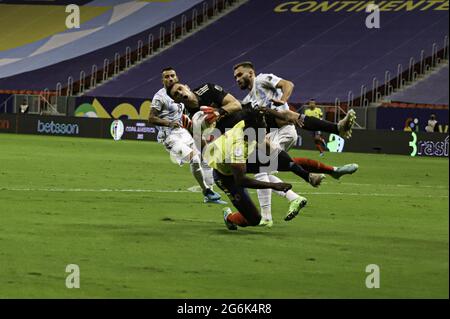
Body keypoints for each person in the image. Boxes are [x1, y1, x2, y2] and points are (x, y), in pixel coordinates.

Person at [167, 82, 357, 225]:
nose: (180, 93)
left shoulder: (206, 89)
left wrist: (218, 112)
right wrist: (202, 134)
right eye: (176, 94)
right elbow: (207, 152)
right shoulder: (193, 118)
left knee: (285, 125)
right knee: (254, 218)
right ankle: (231, 217)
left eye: (180, 88)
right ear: (175, 100)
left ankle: (336, 130)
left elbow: (235, 104)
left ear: (186, 86)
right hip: (228, 151)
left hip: (243, 120)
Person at [233, 61, 358, 224]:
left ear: (250, 73)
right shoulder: (248, 100)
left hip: (282, 129)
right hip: (271, 131)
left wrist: (283, 98)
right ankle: (321, 174)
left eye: (239, 75)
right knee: (264, 168)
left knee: (262, 168)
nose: (237, 79)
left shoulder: (262, 80)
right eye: (235, 77)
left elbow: (288, 84)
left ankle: (271, 213)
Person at [148, 67, 223, 204]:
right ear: (162, 80)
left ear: (177, 77)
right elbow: (151, 118)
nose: (170, 78)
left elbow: (182, 114)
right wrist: (168, 123)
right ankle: (206, 191)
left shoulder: (180, 91)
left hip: (183, 132)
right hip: (170, 137)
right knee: (194, 158)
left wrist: (194, 127)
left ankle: (210, 191)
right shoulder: (159, 97)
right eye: (167, 77)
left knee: (205, 154)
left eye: (172, 75)